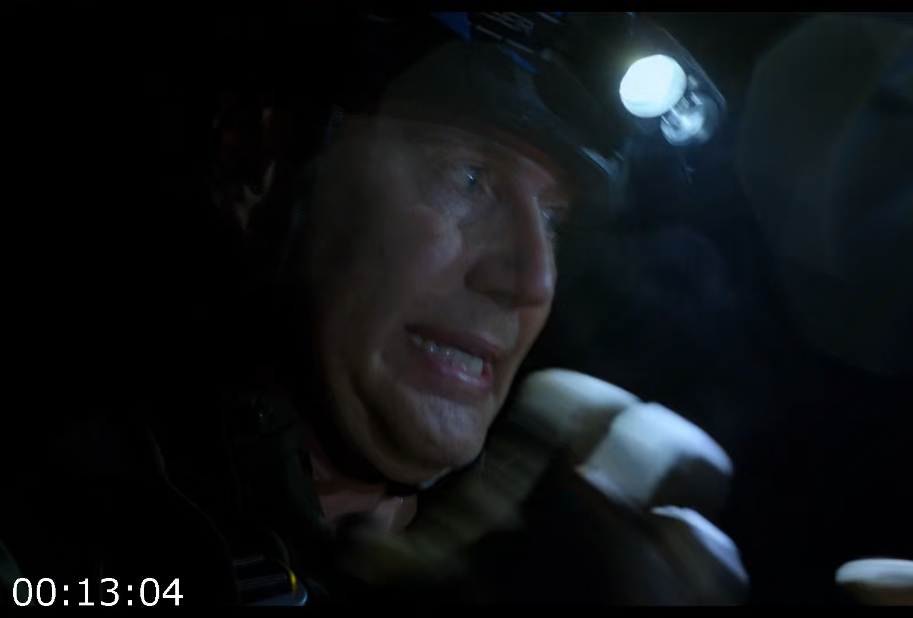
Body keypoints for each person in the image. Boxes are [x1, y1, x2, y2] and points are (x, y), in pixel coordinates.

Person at [4, 10, 747, 606]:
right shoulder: (52, 542)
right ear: (259, 160)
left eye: (554, 221)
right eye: (468, 178)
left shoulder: (539, 544)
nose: (530, 278)